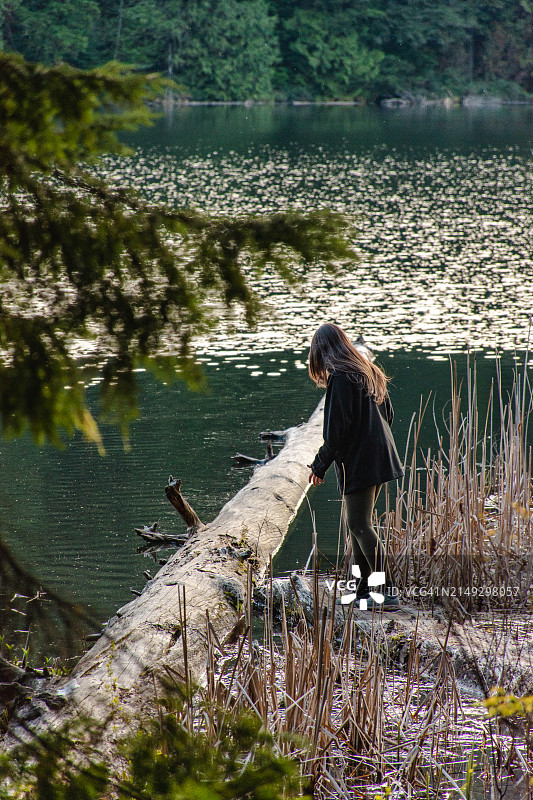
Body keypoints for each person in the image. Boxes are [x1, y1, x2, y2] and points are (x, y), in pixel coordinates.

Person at [307, 323, 403, 610]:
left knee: (360, 525)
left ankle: (386, 592)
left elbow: (336, 431)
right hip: (380, 455)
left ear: (322, 352)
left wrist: (319, 465)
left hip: (362, 460)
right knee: (356, 526)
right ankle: (362, 592)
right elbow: (389, 414)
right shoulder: (368, 370)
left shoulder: (341, 377)